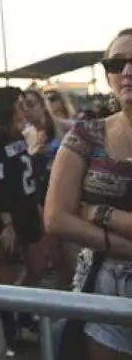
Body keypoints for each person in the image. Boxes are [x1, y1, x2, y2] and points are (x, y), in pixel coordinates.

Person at [45, 28, 132, 359]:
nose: (127, 72)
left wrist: (100, 213)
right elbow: (55, 218)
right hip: (102, 282)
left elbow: (71, 215)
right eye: (116, 63)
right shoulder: (87, 134)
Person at [0, 86, 47, 357]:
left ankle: (21, 311)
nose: (25, 109)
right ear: (8, 106)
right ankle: (10, 328)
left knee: (38, 267)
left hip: (28, 210)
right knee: (5, 271)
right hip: (7, 215)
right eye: (20, 104)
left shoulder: (22, 134)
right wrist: (6, 223)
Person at [23, 88, 74, 290]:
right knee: (56, 260)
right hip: (42, 204)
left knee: (72, 261)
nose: (27, 111)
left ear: (43, 106)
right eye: (22, 106)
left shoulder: (67, 128)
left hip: (69, 201)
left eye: (31, 104)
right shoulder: (25, 135)